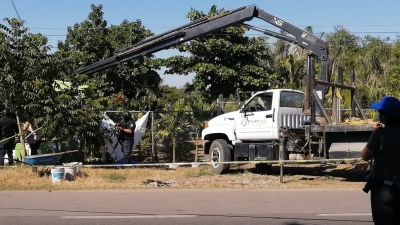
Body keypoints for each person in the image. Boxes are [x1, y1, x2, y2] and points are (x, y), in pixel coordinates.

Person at [361, 96, 400, 225]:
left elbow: (365, 155)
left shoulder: (380, 133)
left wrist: (375, 133)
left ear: (383, 117)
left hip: (384, 192)